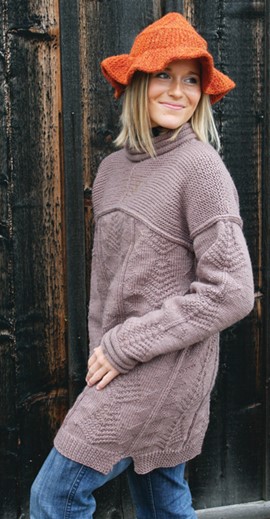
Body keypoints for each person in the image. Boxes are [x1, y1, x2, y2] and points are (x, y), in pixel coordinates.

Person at [30, 12, 254, 519]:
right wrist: (101, 352)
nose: (178, 91)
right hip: (120, 364)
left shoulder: (200, 167)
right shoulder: (112, 170)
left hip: (165, 367)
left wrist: (122, 346)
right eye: (163, 76)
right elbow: (110, 282)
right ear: (136, 83)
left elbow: (233, 289)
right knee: (160, 498)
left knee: (55, 496)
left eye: (191, 80)